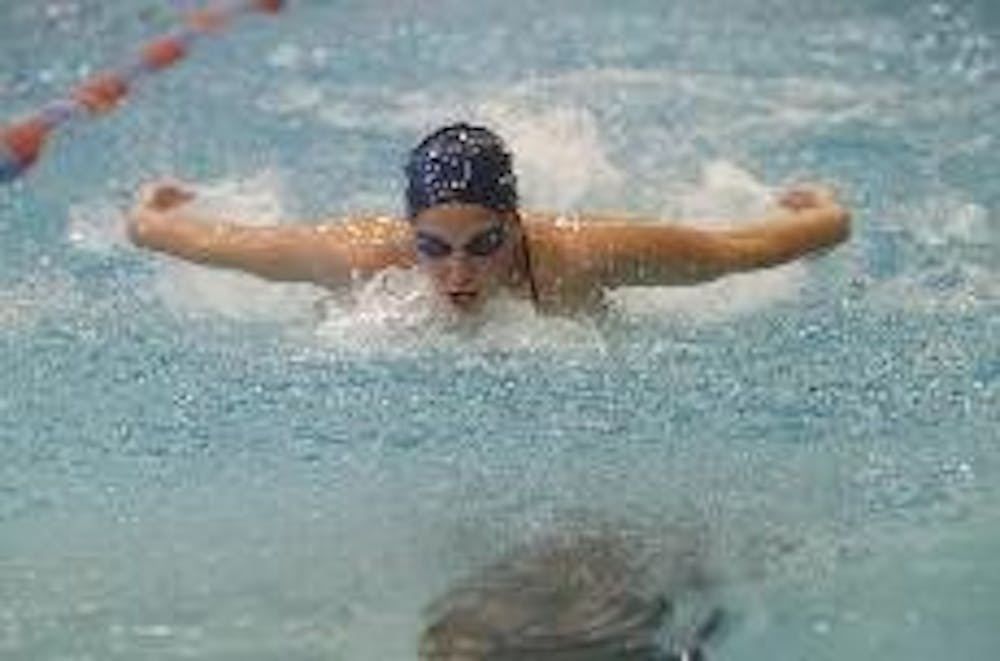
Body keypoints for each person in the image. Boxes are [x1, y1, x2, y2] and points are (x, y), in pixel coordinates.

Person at [128, 123, 850, 315]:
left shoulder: (583, 255)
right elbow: (212, 242)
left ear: (516, 224)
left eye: (484, 244)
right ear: (409, 233)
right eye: (433, 247)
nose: (457, 271)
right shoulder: (361, 256)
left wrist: (825, 214)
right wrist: (154, 216)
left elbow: (739, 250)